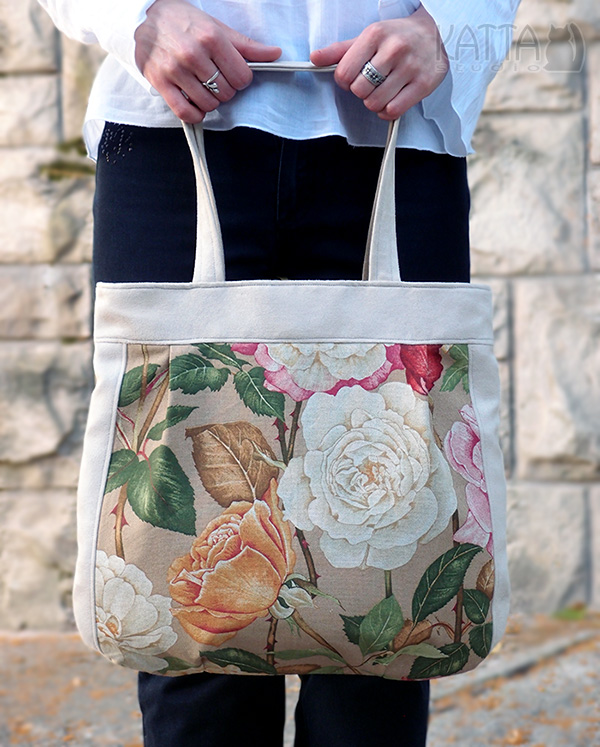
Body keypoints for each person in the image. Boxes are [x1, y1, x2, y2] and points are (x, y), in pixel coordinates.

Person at [38, 1, 520, 745]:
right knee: (188, 625)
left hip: (399, 123)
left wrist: (450, 25)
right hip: (172, 121)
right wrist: (136, 15)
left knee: (388, 614)